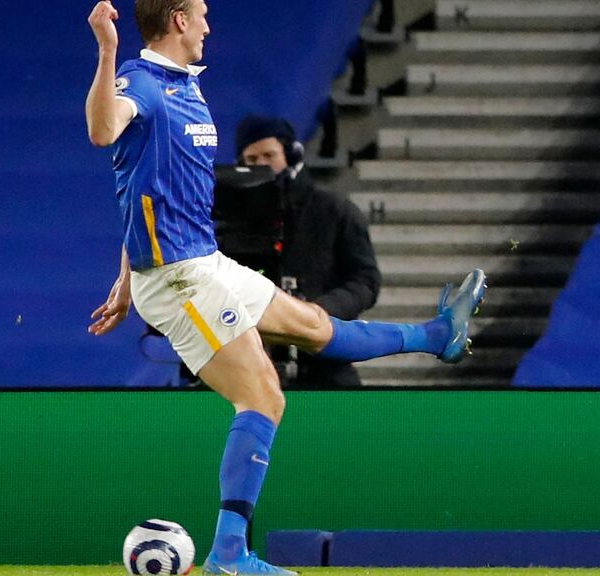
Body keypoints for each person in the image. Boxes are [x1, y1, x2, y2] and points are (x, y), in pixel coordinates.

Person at [84, 1, 486, 574]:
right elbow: (103, 132)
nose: (207, 25)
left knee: (317, 328)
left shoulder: (186, 88)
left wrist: (126, 278)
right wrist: (105, 48)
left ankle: (438, 334)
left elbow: (145, 187)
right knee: (265, 396)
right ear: (177, 19)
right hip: (178, 279)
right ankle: (229, 553)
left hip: (206, 263)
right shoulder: (140, 83)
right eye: (199, 14)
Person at [234, 115, 381, 388]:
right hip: (250, 360)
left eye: (269, 155)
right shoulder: (232, 223)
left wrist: (317, 312)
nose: (262, 166)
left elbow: (366, 281)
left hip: (323, 358)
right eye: (252, 160)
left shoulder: (335, 211)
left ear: (290, 155)